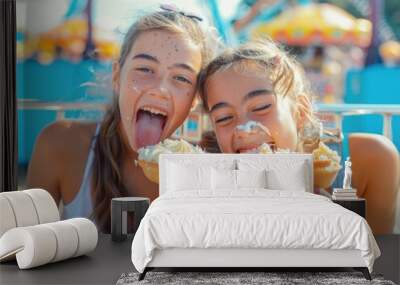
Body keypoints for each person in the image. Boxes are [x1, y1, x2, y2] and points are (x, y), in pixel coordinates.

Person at [27, 7, 218, 232]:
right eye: (145, 69)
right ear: (117, 76)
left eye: (180, 77)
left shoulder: (204, 172)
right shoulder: (60, 145)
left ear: (195, 98)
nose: (160, 90)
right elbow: (22, 251)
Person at [198, 40, 399, 233]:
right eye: (224, 118)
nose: (244, 128)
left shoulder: (367, 161)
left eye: (261, 107)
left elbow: (379, 259)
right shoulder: (205, 183)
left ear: (300, 112)